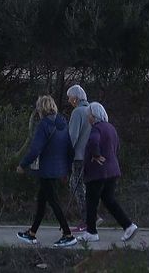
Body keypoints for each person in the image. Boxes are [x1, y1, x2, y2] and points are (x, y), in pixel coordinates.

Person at [15, 96, 77, 247]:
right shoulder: (63, 123)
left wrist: (23, 164)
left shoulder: (44, 125)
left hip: (46, 170)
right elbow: (70, 149)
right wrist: (67, 170)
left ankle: (68, 234)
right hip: (59, 170)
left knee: (53, 202)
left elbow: (35, 149)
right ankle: (32, 233)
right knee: (42, 201)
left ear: (41, 109)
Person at [78, 102, 139, 243]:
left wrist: (96, 155)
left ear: (93, 116)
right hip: (112, 171)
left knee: (91, 202)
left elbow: (93, 142)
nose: (88, 118)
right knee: (109, 200)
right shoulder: (111, 128)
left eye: (89, 116)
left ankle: (91, 232)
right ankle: (128, 225)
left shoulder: (96, 128)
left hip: (97, 172)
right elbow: (116, 147)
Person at [65, 85, 92, 227]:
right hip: (90, 156)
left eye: (70, 97)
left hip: (78, 156)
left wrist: (66, 153)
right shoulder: (92, 110)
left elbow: (72, 137)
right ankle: (91, 216)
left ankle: (88, 217)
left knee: (76, 185)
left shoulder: (77, 113)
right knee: (83, 185)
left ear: (75, 98)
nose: (69, 100)